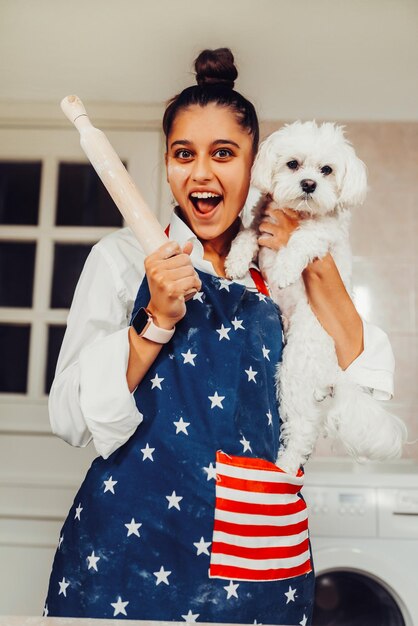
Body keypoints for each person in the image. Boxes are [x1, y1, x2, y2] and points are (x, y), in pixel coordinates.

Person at [44, 48, 395, 624]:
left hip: (256, 554)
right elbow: (69, 419)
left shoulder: (281, 269)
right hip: (130, 554)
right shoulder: (123, 259)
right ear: (166, 165)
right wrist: (155, 319)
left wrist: (316, 261)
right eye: (184, 154)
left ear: (256, 167)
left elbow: (361, 374)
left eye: (223, 154)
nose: (202, 173)